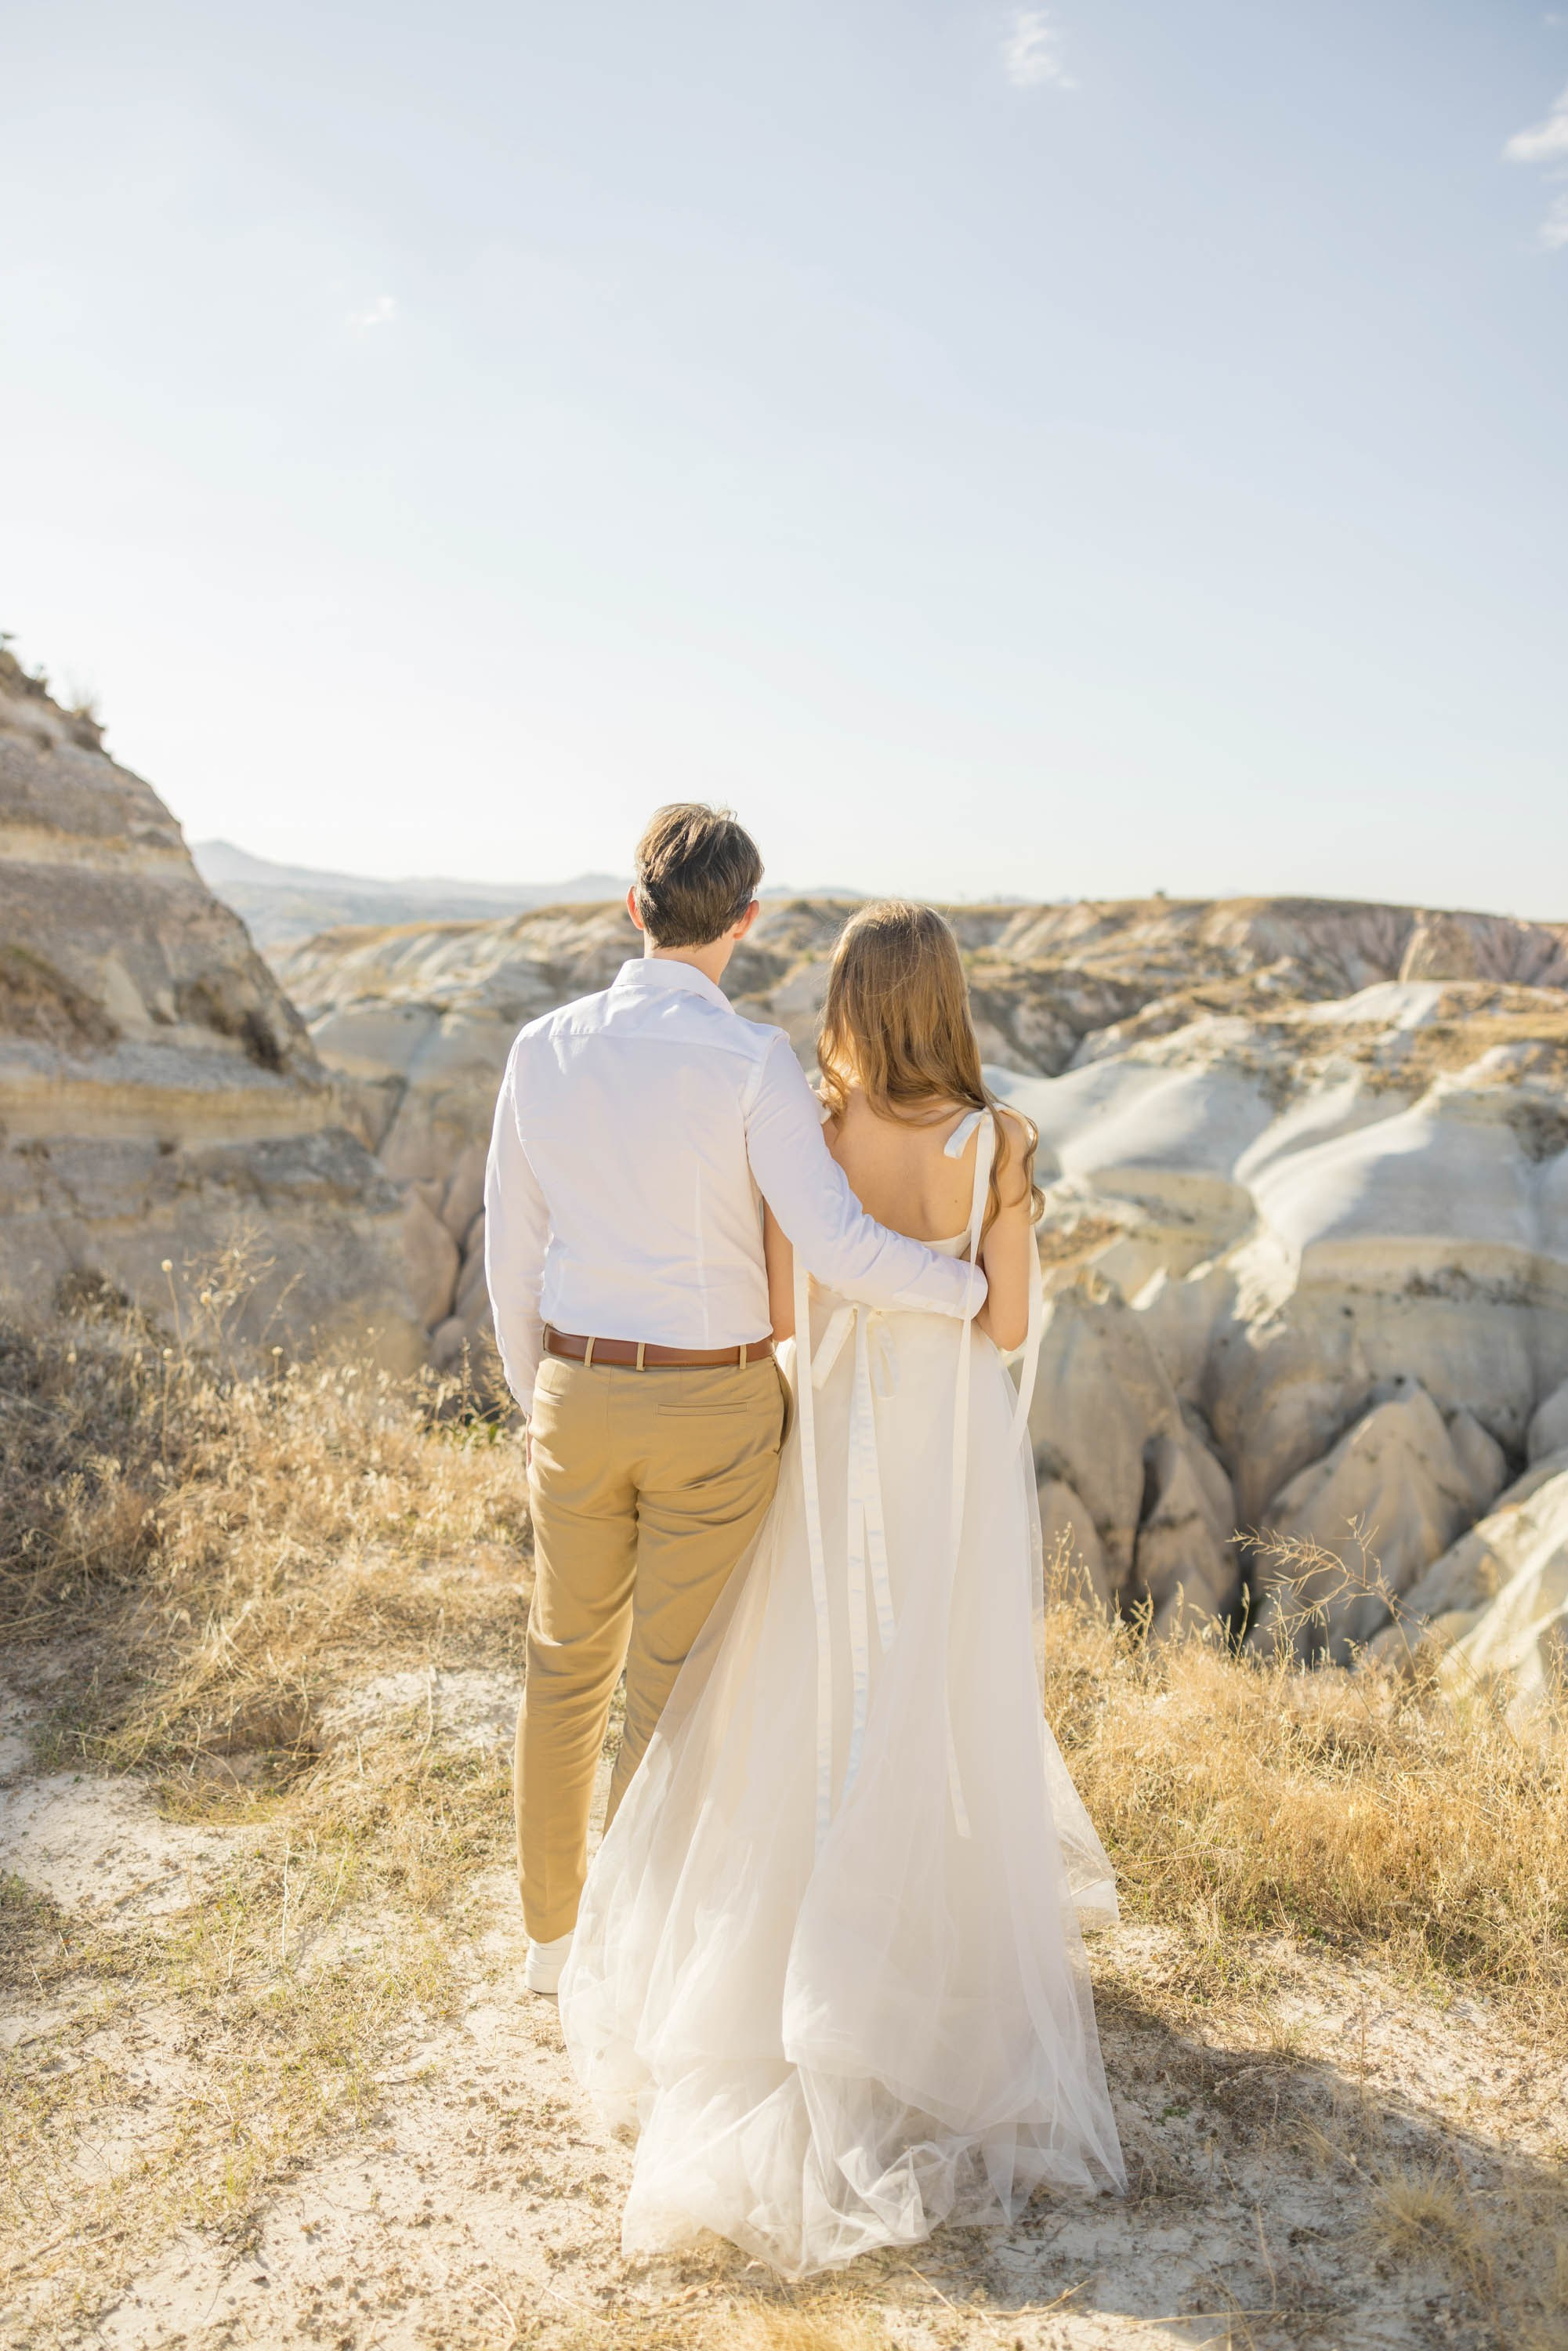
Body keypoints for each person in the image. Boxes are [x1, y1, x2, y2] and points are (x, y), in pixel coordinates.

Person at [558, 899, 1124, 2277]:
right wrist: (966, 1241)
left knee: (807, 1689)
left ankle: (789, 1953)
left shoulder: (810, 1128)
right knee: (932, 1687)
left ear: (849, 1004)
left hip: (826, 1428)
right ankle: (900, 1960)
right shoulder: (993, 1139)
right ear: (946, 1001)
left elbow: (782, 1304)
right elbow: (1004, 1323)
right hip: (941, 1441)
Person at [484, 812, 987, 1998]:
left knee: (563, 1668)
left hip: (575, 1385)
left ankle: (551, 1945)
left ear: (633, 906)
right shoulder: (752, 1061)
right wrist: (960, 1286)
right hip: (711, 1403)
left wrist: (542, 1392)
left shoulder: (541, 1047)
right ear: (747, 921)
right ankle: (635, 1951)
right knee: (671, 1686)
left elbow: (513, 1247)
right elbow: (834, 1245)